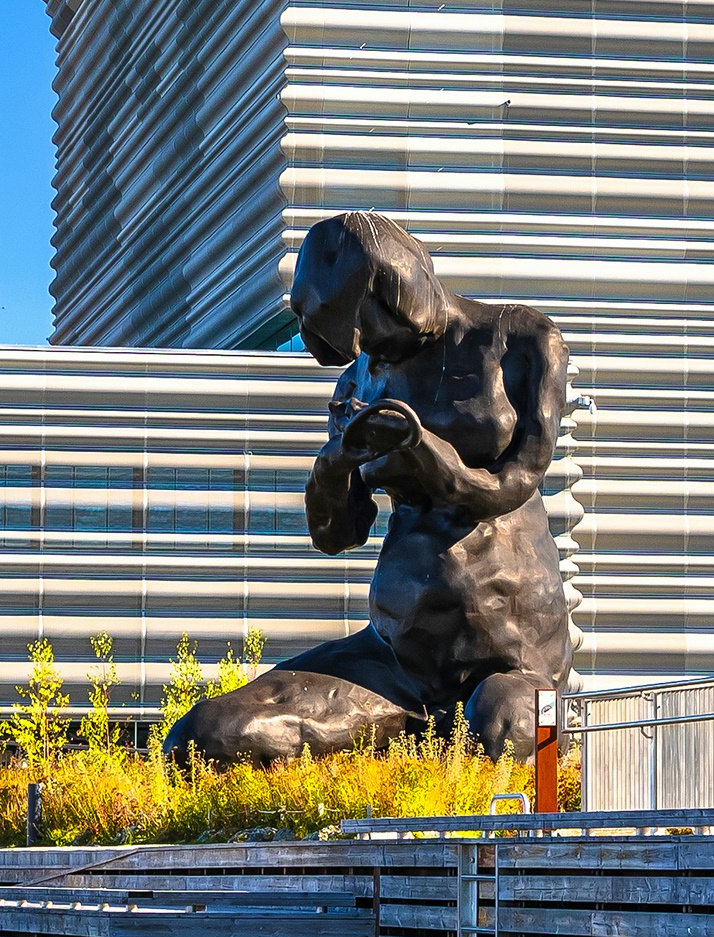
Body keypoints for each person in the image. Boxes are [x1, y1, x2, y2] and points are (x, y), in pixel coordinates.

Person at [167, 213, 573, 767]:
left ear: (395, 290)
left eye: (367, 329)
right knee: (205, 738)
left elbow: (515, 483)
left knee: (508, 732)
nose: (366, 350)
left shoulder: (520, 340)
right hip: (397, 656)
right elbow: (338, 534)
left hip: (511, 655)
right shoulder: (359, 381)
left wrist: (427, 455)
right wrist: (336, 462)